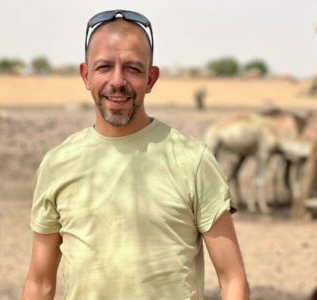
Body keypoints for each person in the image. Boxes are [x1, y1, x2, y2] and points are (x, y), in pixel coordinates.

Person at [22, 9, 249, 300]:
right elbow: (39, 284)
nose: (118, 81)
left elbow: (233, 281)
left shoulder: (192, 160)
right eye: (104, 67)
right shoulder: (58, 164)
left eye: (132, 68)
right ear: (86, 75)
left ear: (151, 79)